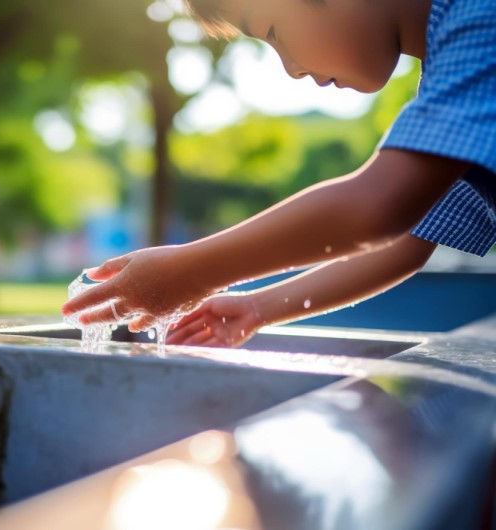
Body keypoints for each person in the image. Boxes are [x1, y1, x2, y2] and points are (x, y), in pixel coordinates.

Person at [62, 0, 496, 347]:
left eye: (272, 32)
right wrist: (259, 306)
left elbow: (375, 207)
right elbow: (405, 241)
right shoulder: (454, 80)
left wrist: (190, 273)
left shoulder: (481, 18)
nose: (292, 68)